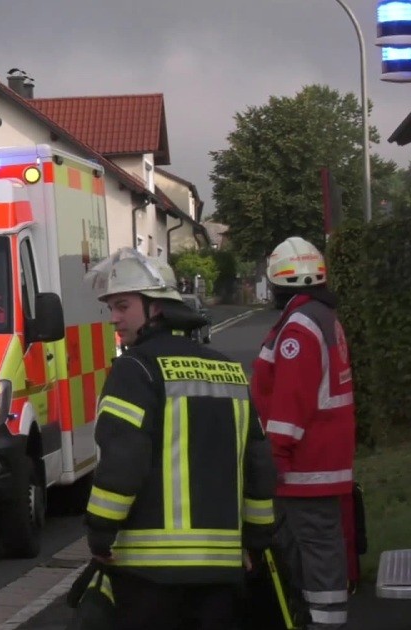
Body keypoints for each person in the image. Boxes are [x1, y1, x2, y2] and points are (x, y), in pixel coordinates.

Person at [82, 249, 277, 630]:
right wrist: (257, 538)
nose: (115, 319)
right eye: (111, 309)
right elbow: (258, 463)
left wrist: (99, 532)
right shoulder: (230, 371)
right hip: (223, 574)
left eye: (123, 306)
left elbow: (123, 460)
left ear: (155, 307)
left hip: (149, 577)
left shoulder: (134, 370)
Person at [251, 236, 355, 630]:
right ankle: (318, 617)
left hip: (305, 466)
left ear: (277, 283)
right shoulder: (321, 317)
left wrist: (274, 458)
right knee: (318, 548)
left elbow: (290, 403)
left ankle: (324, 622)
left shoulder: (297, 328)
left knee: (315, 550)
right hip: (321, 461)